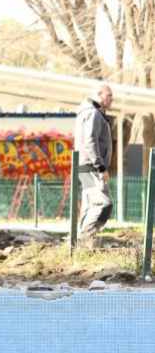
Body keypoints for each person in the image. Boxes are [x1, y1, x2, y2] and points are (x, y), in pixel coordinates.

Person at [76, 83, 114, 242]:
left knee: (89, 204)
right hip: (92, 167)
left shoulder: (87, 113)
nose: (112, 99)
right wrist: (101, 167)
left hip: (85, 166)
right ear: (99, 95)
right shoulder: (93, 114)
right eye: (109, 95)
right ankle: (85, 238)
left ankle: (78, 242)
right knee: (103, 204)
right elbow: (90, 141)